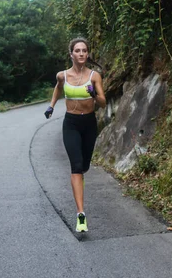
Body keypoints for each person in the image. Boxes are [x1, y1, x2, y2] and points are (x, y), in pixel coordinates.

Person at [44, 37, 106, 233]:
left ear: (87, 54)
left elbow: (103, 102)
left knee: (84, 165)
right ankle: (81, 215)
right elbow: (58, 88)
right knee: (76, 167)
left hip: (88, 124)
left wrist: (94, 95)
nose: (81, 54)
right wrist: (51, 106)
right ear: (71, 54)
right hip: (70, 124)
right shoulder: (62, 75)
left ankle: (80, 176)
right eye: (77, 50)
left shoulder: (94, 76)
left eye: (84, 51)